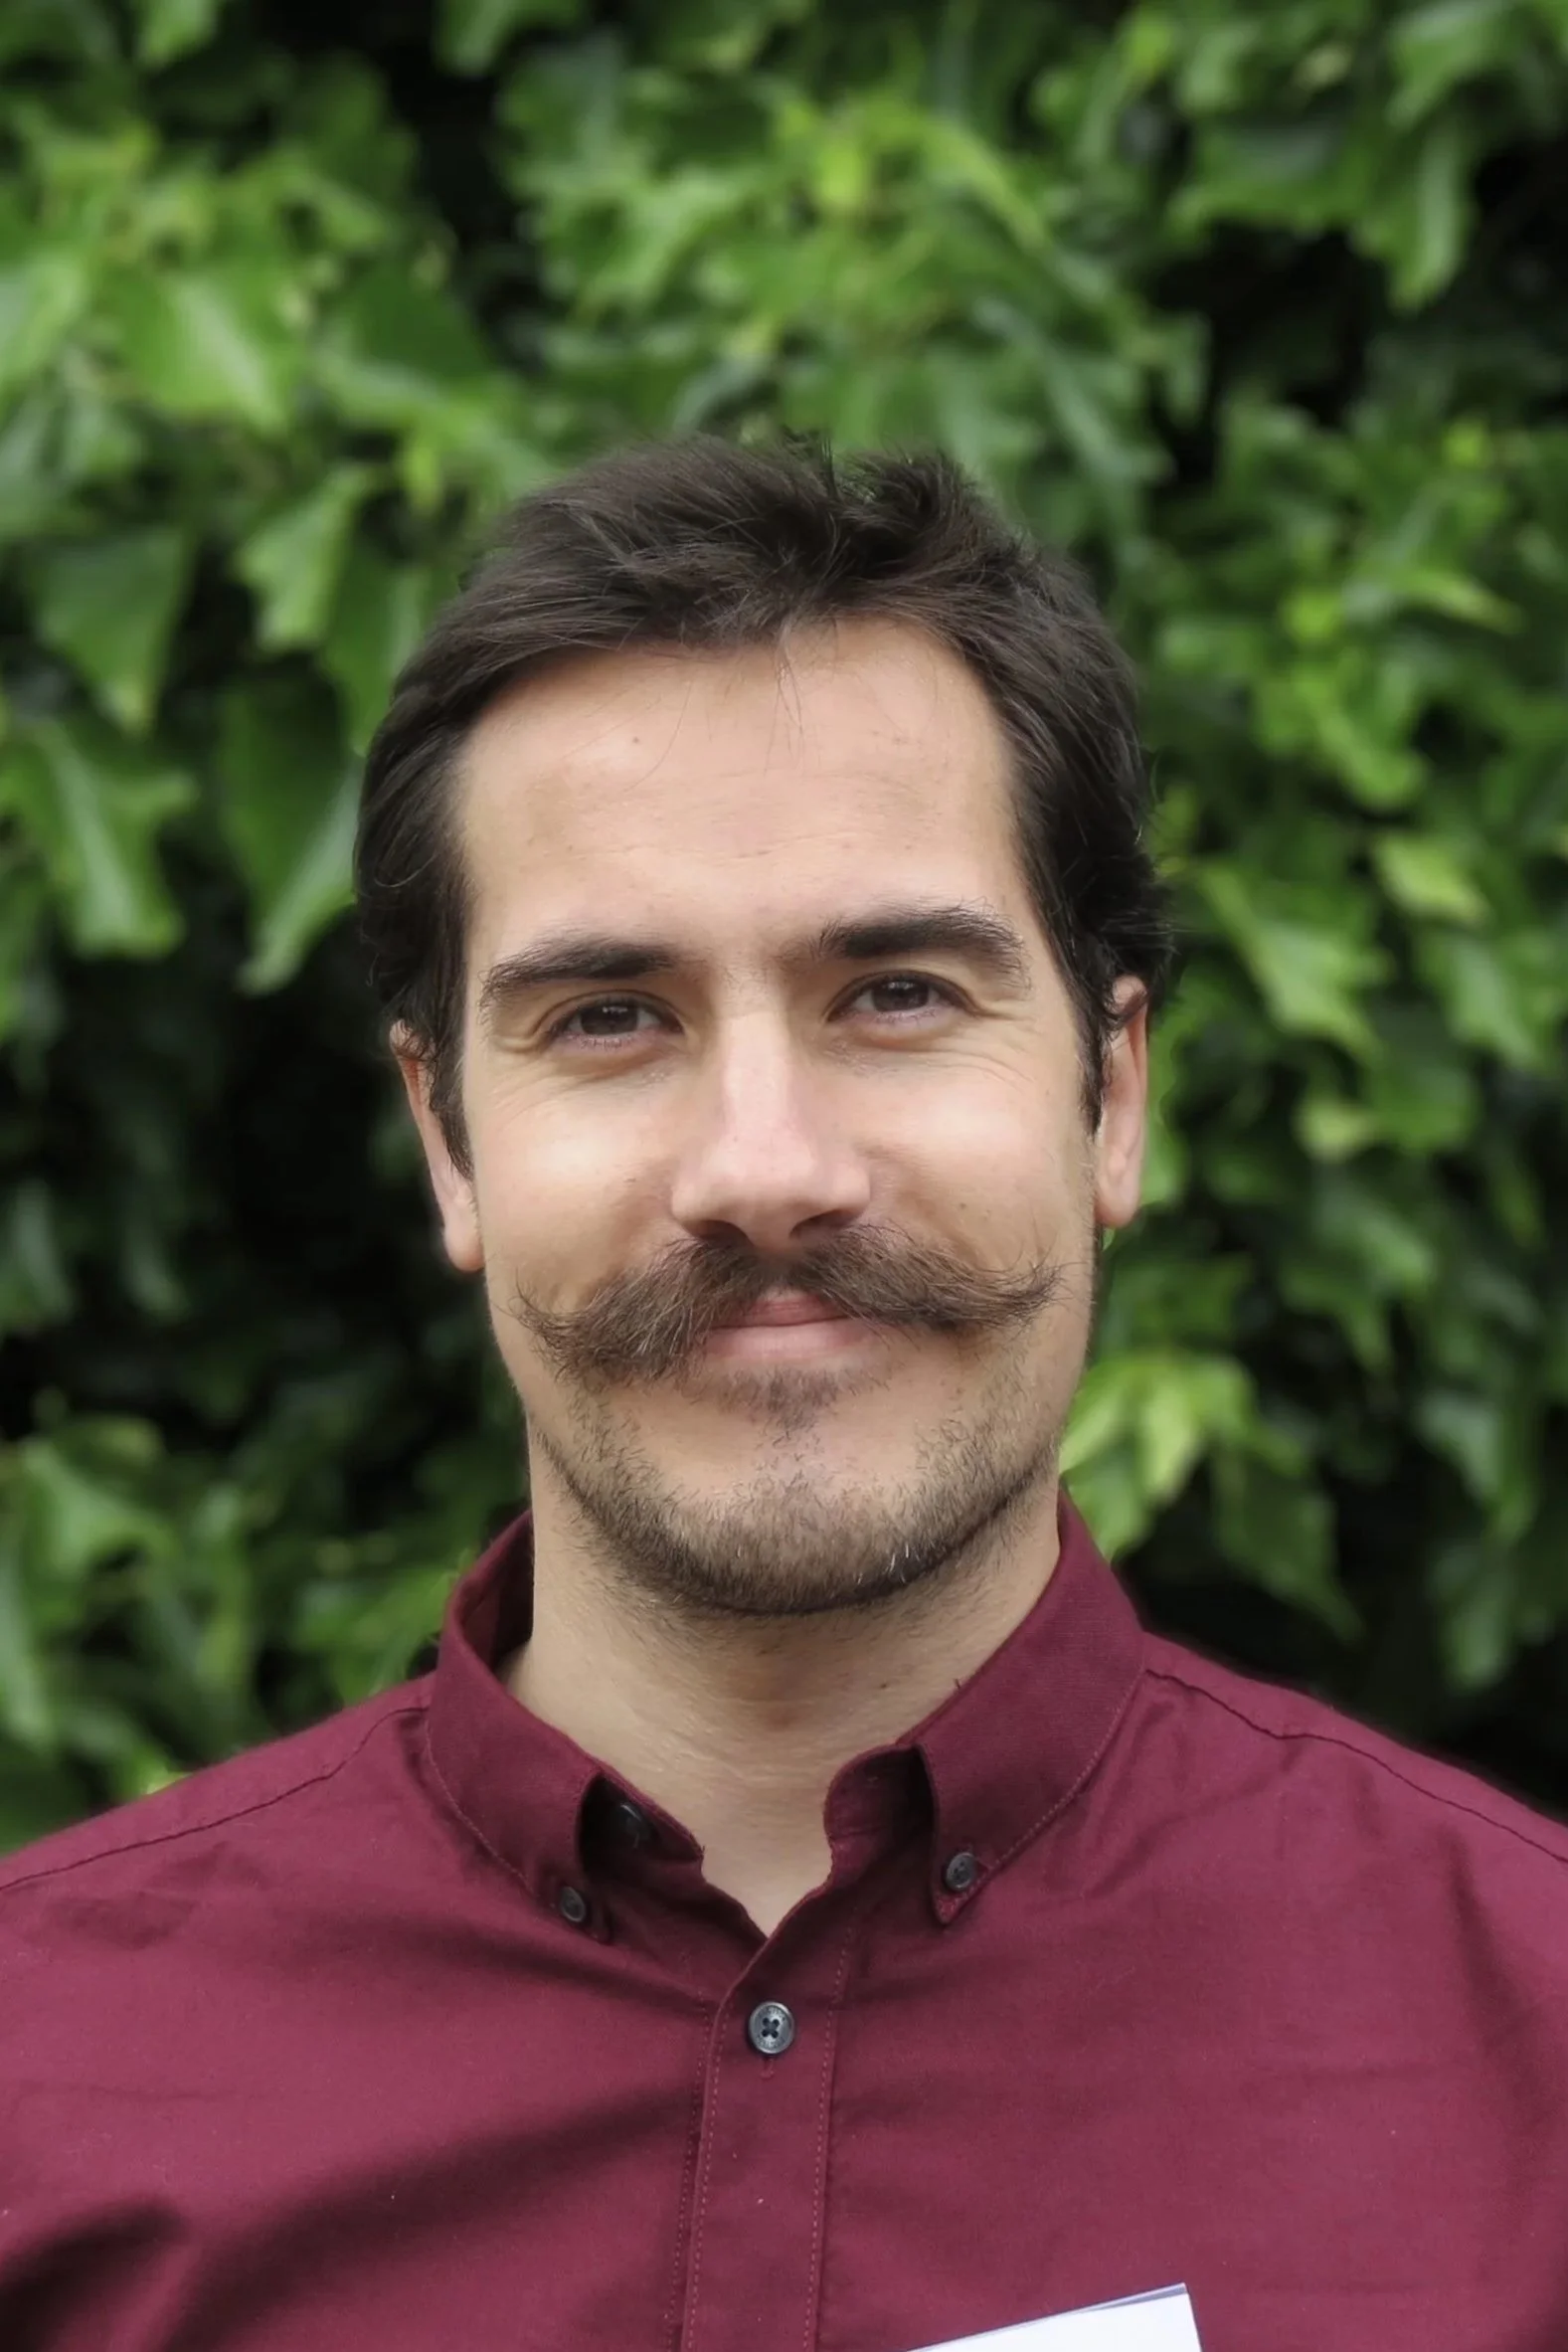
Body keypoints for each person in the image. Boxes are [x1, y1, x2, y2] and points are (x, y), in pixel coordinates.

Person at [2, 438, 1565, 2352]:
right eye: (610, 1018)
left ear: (1115, 1091)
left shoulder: (1532, 2066)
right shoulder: (41, 2092)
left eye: (898, 991)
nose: (764, 1165)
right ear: (449, 1144)